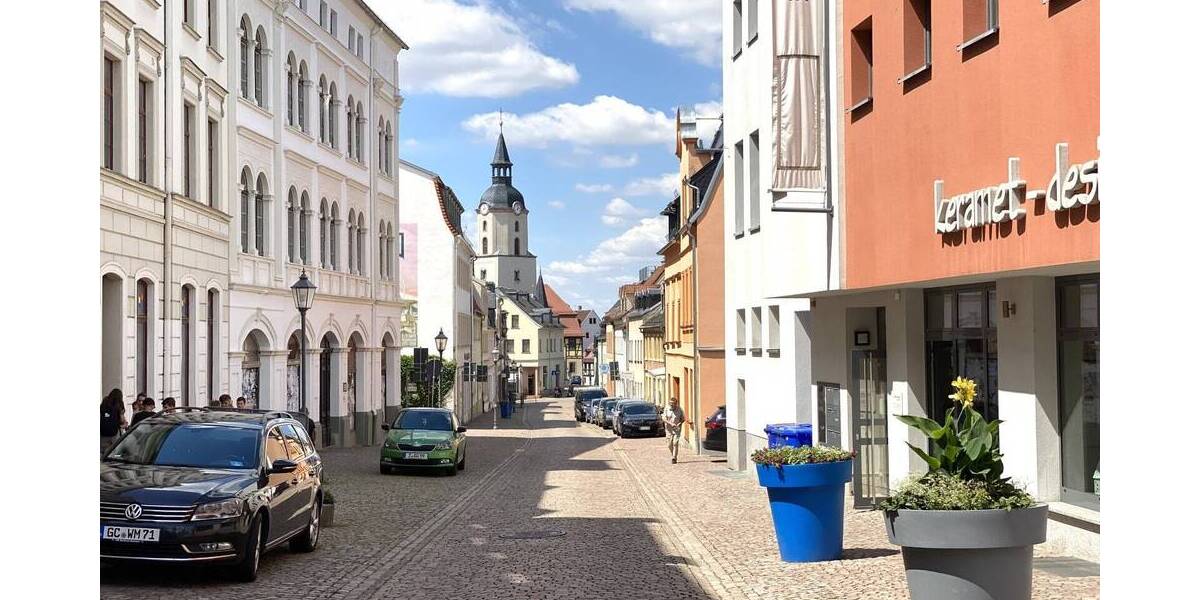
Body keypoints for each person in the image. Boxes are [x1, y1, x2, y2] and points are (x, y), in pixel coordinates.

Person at [100, 389, 126, 456]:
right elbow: (122, 420)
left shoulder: (104, 403)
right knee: (115, 452)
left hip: (102, 431)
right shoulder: (119, 404)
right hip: (114, 432)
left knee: (102, 451)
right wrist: (124, 423)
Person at [662, 397, 687, 464]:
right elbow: (664, 419)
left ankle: (674, 457)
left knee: (675, 443)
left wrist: (679, 423)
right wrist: (671, 423)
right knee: (669, 444)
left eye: (673, 403)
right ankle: (673, 454)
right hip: (669, 429)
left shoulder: (679, 409)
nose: (671, 405)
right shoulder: (667, 409)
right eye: (670, 403)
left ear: (676, 404)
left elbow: (683, 419)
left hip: (676, 429)